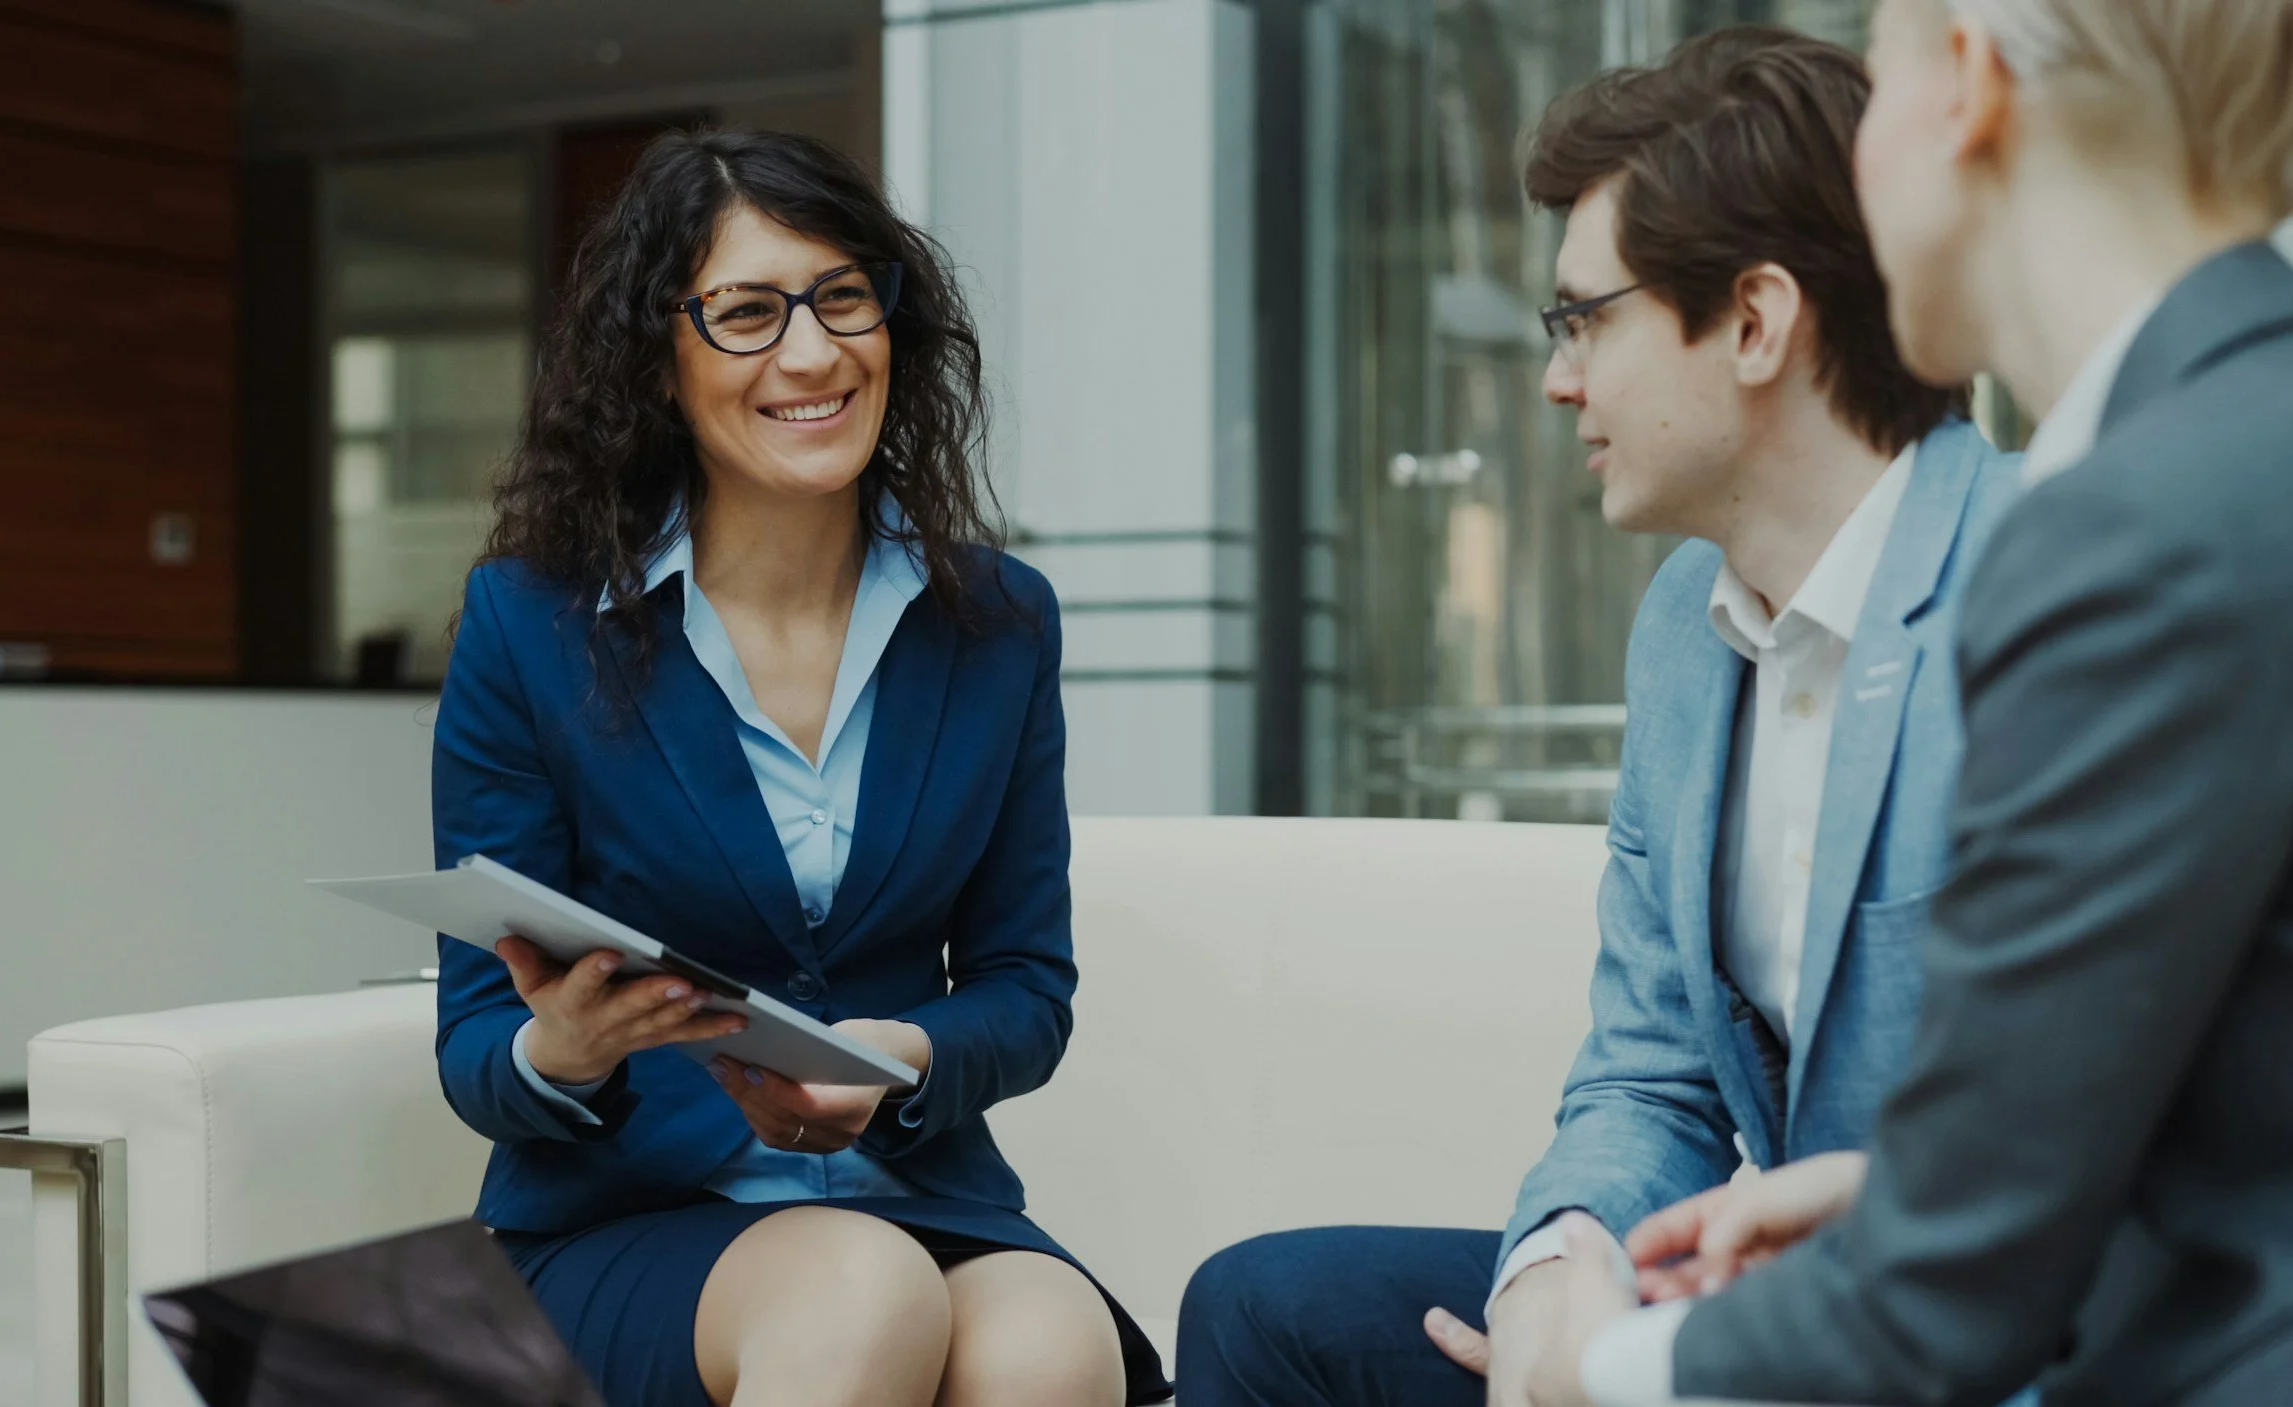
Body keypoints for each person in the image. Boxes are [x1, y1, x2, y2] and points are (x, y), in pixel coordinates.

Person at [1535, 1, 2293, 1404]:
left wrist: (1602, 1367)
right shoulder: (2288, 439)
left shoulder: (2137, 527)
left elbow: (1949, 1306)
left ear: (1965, 87)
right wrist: (1892, 1188)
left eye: (1877, 75)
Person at [1174, 28, 2020, 1407]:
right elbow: (1652, 1074)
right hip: (1756, 1298)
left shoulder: (2056, 583)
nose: (1557, 377)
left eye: (1587, 319)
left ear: (1754, 319)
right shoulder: (1686, 634)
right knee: (1270, 1308)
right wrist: (1563, 1273)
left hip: (1983, 1325)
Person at [431, 127, 1166, 1407]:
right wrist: (567, 1048)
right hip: (633, 1219)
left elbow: (1022, 990)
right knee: (855, 1290)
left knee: (1052, 1346)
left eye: (842, 296)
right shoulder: (530, 623)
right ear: (656, 360)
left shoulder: (997, 624)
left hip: (920, 1191)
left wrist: (900, 1061)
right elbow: (474, 1046)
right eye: (746, 313)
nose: (813, 351)